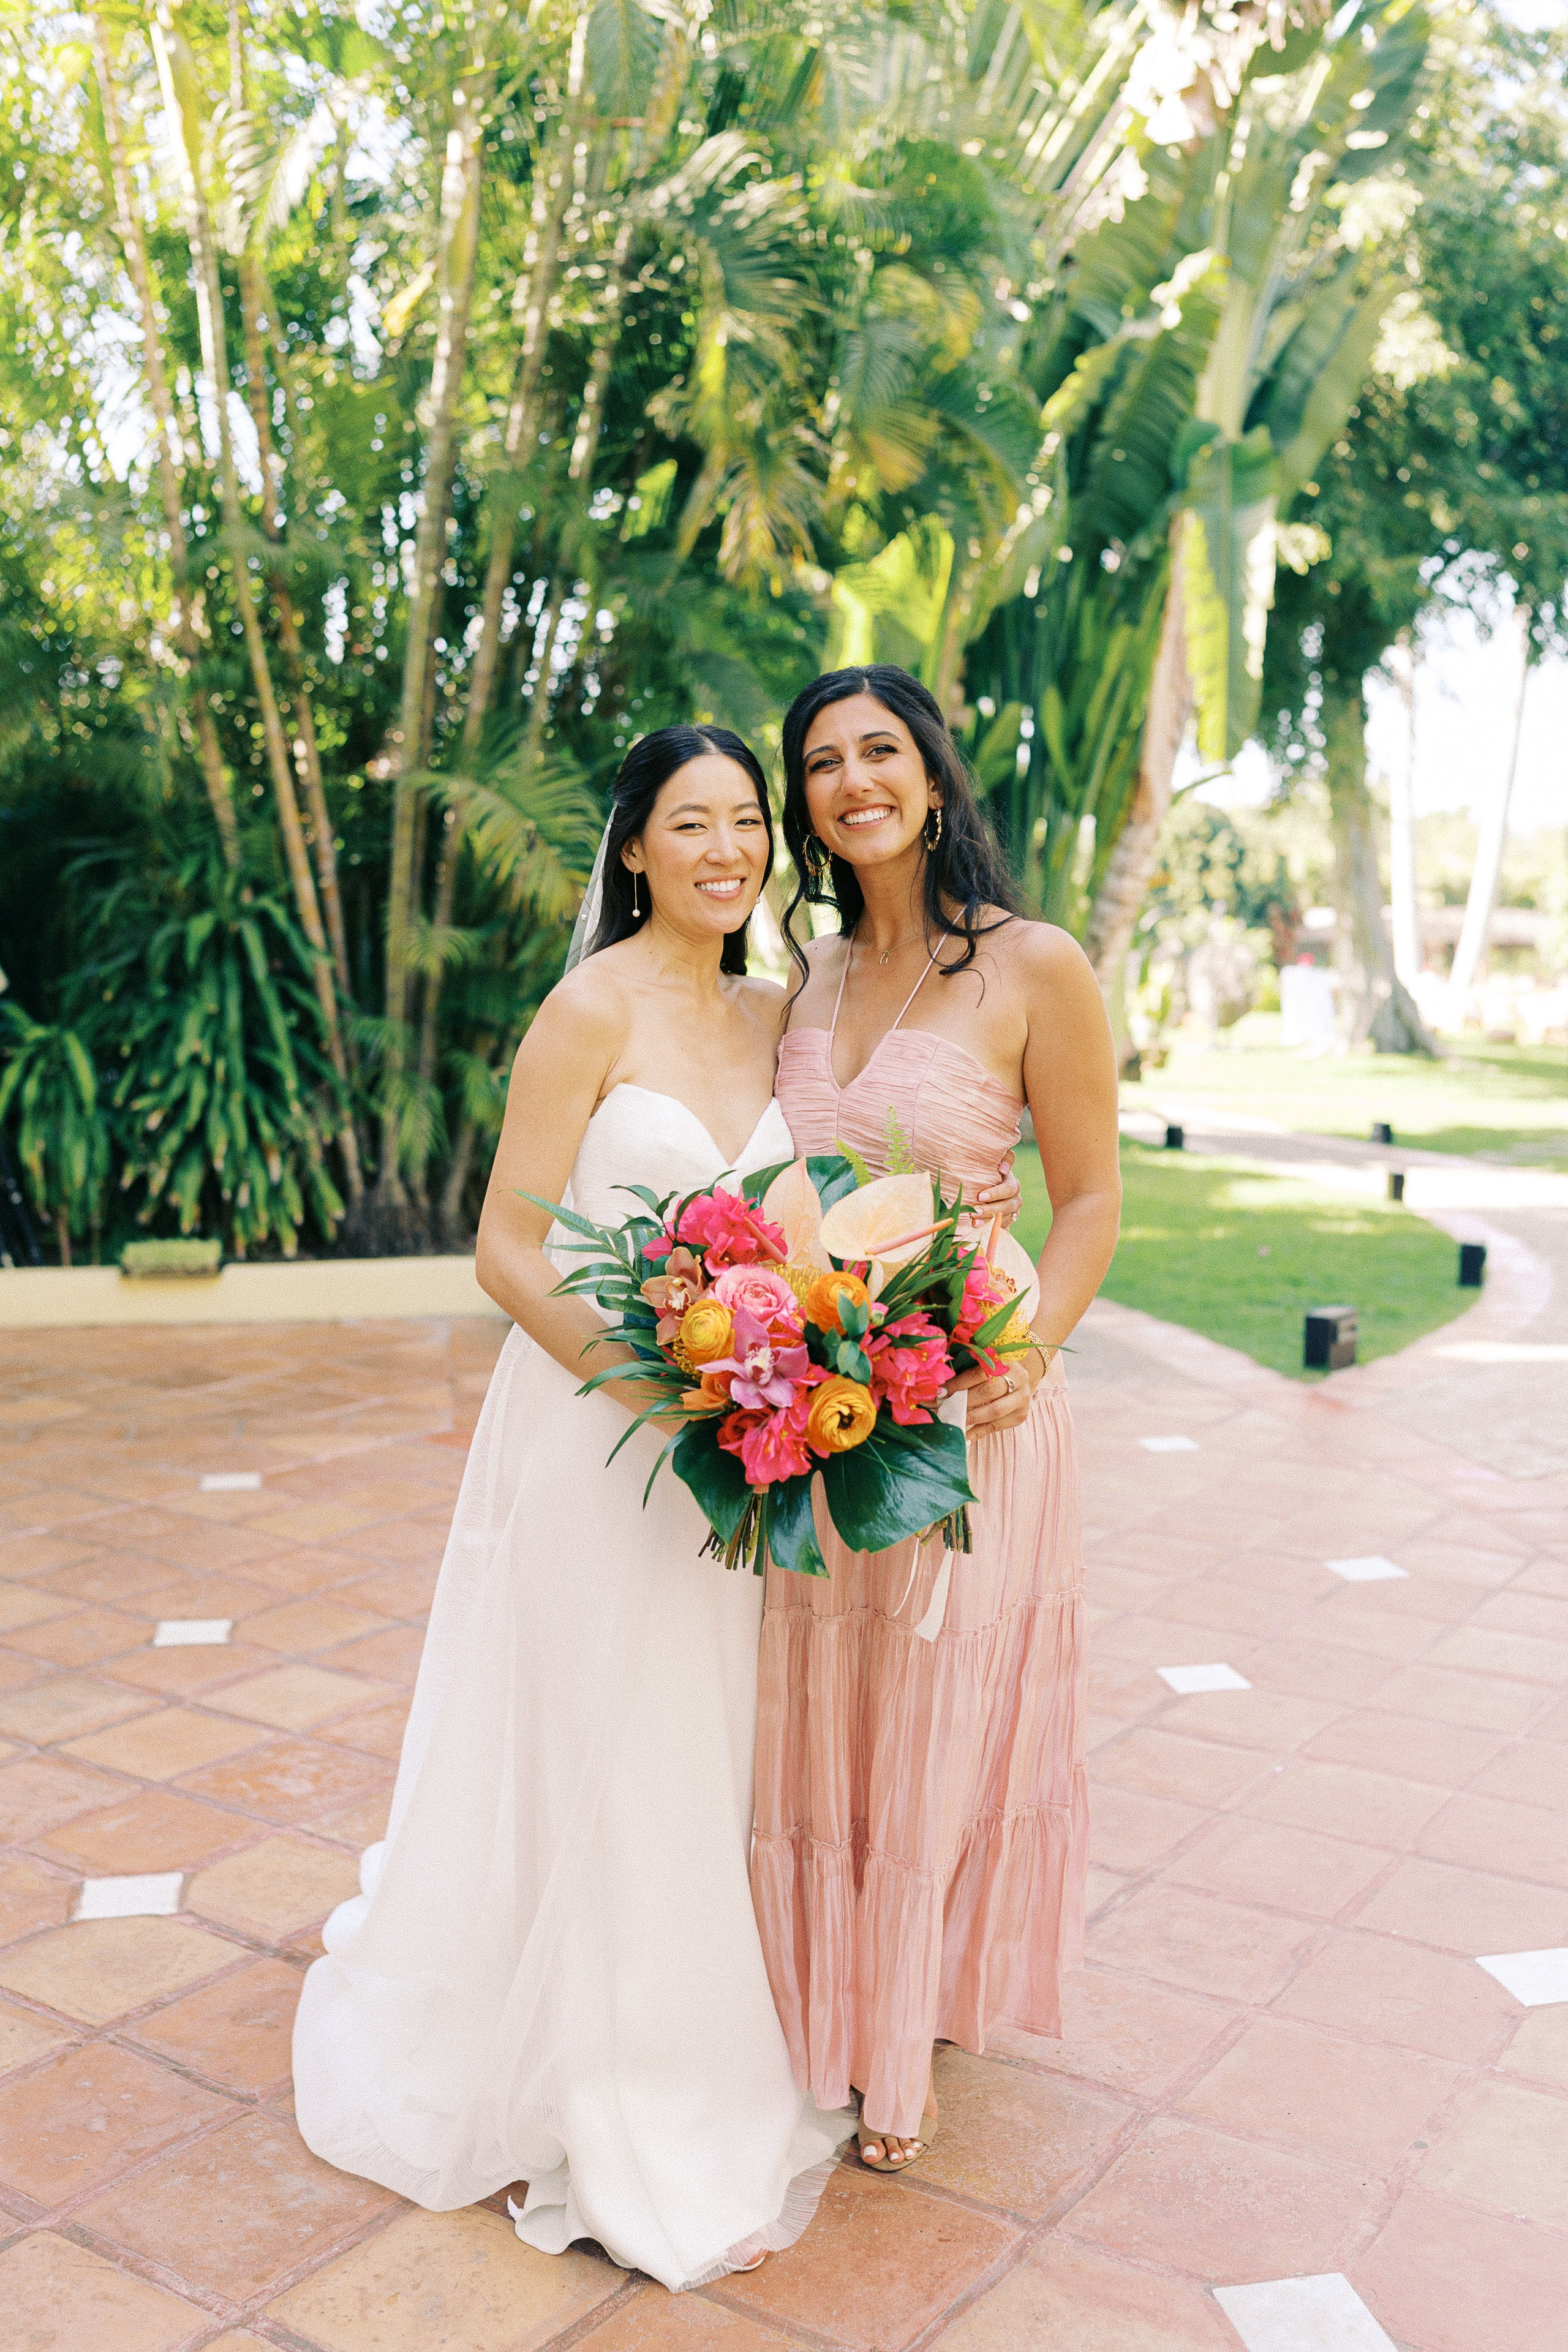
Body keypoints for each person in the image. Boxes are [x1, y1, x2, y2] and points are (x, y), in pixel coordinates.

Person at [292, 725, 850, 2289]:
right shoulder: (583, 1008)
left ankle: (682, 2038)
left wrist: (782, 1372)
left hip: (739, 1446)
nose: (727, 850)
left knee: (699, 1734)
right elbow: (507, 1249)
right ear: (631, 849)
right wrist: (658, 1387)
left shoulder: (775, 1009)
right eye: (692, 824)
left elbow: (796, 1211)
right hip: (603, 1435)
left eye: (748, 822)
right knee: (596, 1723)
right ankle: (580, 2076)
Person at [750, 664, 1121, 2172]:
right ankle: (814, 2003)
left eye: (879, 750)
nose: (853, 781)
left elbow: (1092, 1198)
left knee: (936, 1717)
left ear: (932, 773)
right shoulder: (808, 984)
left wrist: (1029, 1345)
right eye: (822, 762)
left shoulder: (1034, 965)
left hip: (974, 1394)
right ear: (804, 804)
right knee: (823, 1711)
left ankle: (899, 2034)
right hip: (829, 1406)